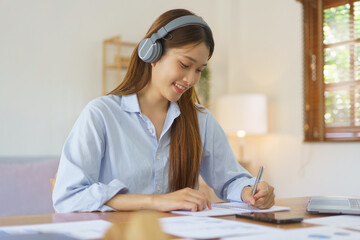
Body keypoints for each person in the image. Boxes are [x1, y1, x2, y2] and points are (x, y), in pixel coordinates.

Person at [52, 8, 275, 213]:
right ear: (152, 53)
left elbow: (229, 179)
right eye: (185, 65)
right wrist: (155, 202)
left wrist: (249, 191)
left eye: (199, 70)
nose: (191, 79)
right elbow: (68, 196)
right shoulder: (101, 114)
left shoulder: (200, 120)